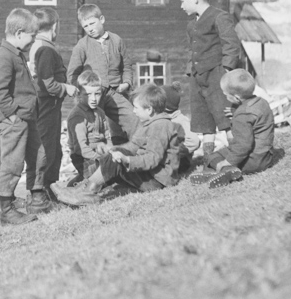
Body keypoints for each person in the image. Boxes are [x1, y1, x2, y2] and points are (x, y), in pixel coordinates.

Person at [52, 83, 192, 206]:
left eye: (136, 108)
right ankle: (84, 188)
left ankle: (87, 192)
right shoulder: (149, 123)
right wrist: (111, 149)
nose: (133, 111)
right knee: (115, 154)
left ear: (149, 109)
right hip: (150, 175)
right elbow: (133, 145)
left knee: (117, 160)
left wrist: (127, 160)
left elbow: (152, 158)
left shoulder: (161, 125)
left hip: (159, 182)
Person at [0, 8, 46, 226]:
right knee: (12, 165)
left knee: (39, 156)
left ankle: (38, 199)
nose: (33, 40)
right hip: (14, 120)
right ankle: (7, 211)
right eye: (32, 35)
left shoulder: (16, 53)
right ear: (20, 32)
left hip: (26, 118)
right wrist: (14, 117)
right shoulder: (3, 56)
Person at [178, 0, 242, 161]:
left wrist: (227, 72)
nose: (181, 6)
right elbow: (193, 50)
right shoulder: (191, 25)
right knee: (204, 121)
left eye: (183, 1)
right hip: (198, 78)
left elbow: (231, 44)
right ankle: (209, 160)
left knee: (224, 118)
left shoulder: (219, 17)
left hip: (217, 76)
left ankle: (238, 156)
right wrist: (191, 72)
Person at [190, 69, 275, 189]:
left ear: (236, 98)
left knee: (213, 156)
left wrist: (227, 162)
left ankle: (225, 170)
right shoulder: (262, 103)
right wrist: (236, 112)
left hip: (253, 161)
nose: (224, 96)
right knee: (222, 154)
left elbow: (243, 145)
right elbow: (253, 118)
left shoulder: (242, 115)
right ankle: (215, 173)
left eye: (226, 95)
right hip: (266, 156)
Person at [67, 3, 139, 140]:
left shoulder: (117, 41)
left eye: (92, 23)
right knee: (95, 129)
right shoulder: (82, 45)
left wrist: (126, 83)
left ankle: (133, 153)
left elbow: (127, 67)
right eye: (86, 26)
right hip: (92, 96)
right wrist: (83, 91)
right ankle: (93, 158)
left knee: (133, 119)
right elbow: (72, 74)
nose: (90, 29)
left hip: (115, 92)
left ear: (102, 19)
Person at [29, 8, 77, 200]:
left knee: (50, 148)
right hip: (46, 105)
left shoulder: (37, 45)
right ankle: (41, 193)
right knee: (48, 149)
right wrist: (67, 88)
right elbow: (47, 84)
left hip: (45, 105)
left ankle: (45, 191)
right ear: (55, 26)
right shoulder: (46, 49)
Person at [66, 70, 126, 183]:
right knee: (103, 177)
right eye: (88, 94)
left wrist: (111, 150)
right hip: (83, 156)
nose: (93, 99)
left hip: (99, 151)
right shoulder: (77, 117)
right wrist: (102, 158)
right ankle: (79, 184)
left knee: (117, 169)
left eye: (97, 94)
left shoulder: (100, 112)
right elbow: (81, 149)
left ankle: (82, 180)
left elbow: (107, 136)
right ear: (79, 94)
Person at [163, 81, 201, 155]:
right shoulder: (162, 118)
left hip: (179, 161)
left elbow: (194, 141)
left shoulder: (180, 120)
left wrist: (175, 151)